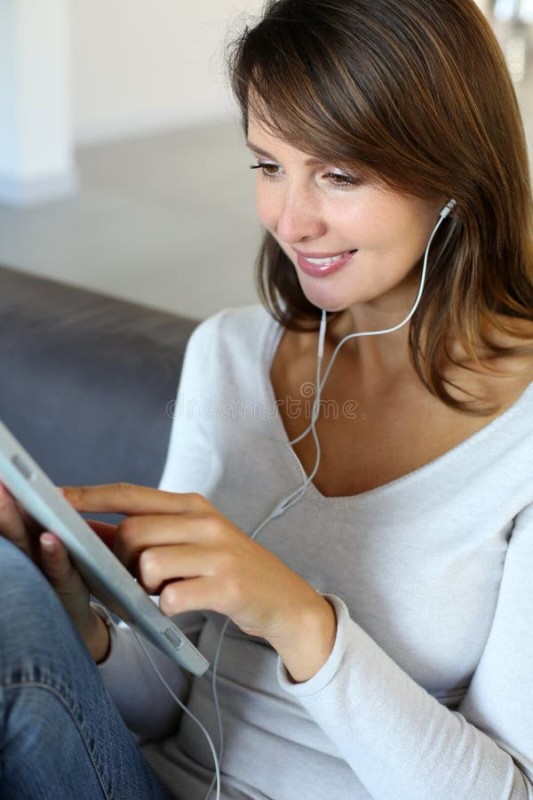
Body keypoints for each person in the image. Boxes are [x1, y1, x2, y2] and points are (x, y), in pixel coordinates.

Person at [1, 0, 532, 797]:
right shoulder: (228, 355)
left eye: (339, 175)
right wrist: (82, 620)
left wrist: (298, 619)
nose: (290, 219)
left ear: (454, 168)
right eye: (267, 165)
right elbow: (166, 707)